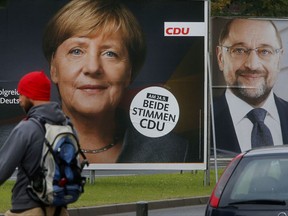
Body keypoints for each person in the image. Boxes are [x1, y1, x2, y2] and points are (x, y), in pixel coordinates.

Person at [42, 0, 192, 163]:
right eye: (76, 51)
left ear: (129, 72)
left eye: (110, 53)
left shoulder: (172, 152)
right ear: (54, 69)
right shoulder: (12, 143)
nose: (93, 68)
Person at [213, 18, 288, 154]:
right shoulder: (198, 124)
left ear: (279, 59)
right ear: (220, 58)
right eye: (240, 50)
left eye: (265, 51)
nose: (252, 65)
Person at [0, 71, 69, 216]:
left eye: (21, 94)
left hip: (28, 208)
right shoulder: (66, 125)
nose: (19, 100)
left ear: (30, 95)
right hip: (59, 209)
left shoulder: (27, 128)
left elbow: (2, 168)